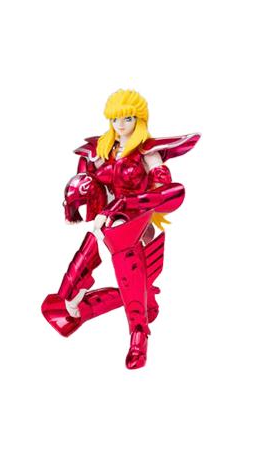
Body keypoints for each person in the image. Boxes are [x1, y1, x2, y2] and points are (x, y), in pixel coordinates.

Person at [42, 89, 200, 369]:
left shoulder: (147, 153)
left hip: (135, 221)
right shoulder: (102, 149)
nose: (120, 124)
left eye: (127, 118)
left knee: (128, 272)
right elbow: (84, 178)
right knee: (73, 280)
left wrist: (126, 204)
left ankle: (139, 336)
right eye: (115, 119)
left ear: (139, 119)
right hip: (104, 220)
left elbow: (171, 192)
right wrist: (74, 204)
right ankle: (82, 306)